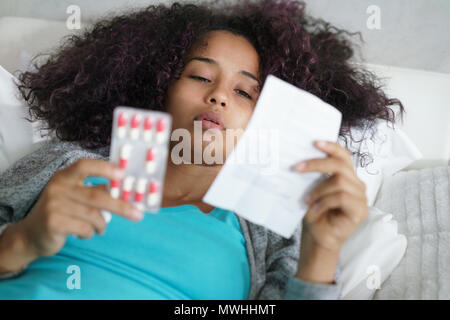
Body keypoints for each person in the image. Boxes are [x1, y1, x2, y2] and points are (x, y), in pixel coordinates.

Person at [0, 0, 403, 299]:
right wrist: (21, 241)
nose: (218, 97)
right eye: (200, 75)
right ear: (159, 87)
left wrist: (323, 250)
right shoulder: (70, 163)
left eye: (244, 91)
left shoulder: (269, 233)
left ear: (265, 120)